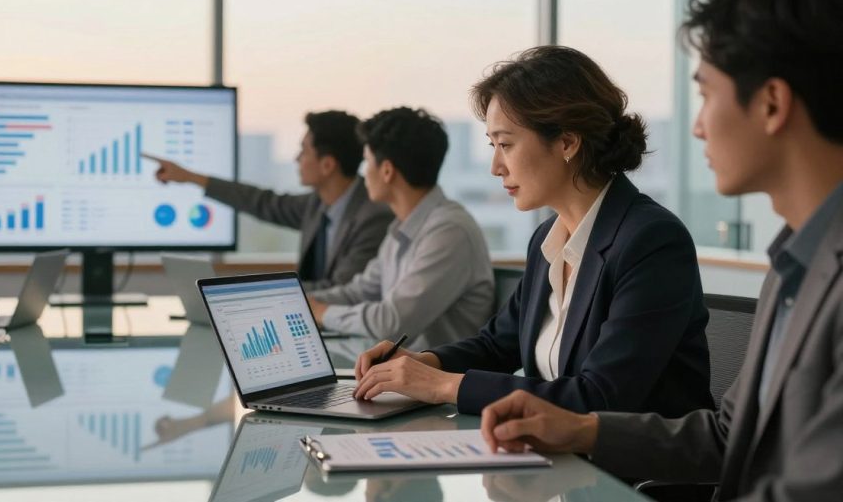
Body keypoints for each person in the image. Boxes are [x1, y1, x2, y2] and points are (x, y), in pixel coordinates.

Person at [478, 0, 843, 501]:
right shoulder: (793, 266)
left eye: (706, 94)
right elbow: (726, 437)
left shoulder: (661, 238)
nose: (697, 126)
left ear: (771, 103)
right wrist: (581, 429)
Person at [351, 46, 714, 419]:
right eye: (493, 146)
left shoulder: (651, 240)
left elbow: (601, 397)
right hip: (550, 459)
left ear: (567, 143)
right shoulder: (547, 239)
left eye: (505, 144)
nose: (496, 167)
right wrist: (425, 361)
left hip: (628, 473)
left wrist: (441, 386)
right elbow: (498, 345)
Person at [307, 106, 495, 350]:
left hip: (437, 380)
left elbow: (391, 323)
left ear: (386, 171)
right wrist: (303, 304)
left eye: (366, 162)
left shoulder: (449, 231)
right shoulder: (402, 227)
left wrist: (323, 312)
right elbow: (361, 291)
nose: (363, 175)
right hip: (400, 376)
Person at [153, 110, 393, 291]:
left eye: (304, 151)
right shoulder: (317, 205)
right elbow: (261, 202)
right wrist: (190, 177)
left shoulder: (372, 217)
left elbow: (342, 290)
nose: (296, 158)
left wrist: (256, 293)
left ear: (327, 165)